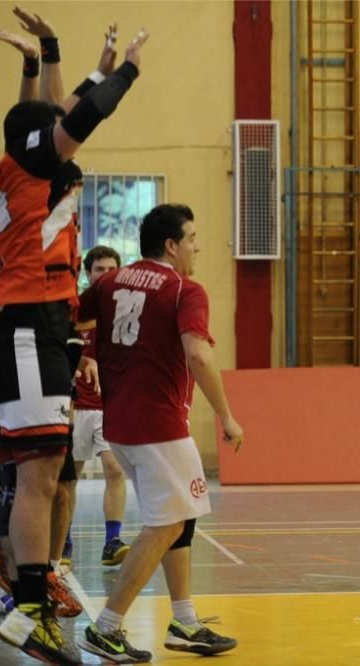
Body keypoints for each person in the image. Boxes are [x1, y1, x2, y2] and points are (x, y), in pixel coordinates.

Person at [0, 7, 149, 662]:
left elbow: (48, 109)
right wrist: (126, 70)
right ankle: (25, 604)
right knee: (41, 473)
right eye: (52, 129)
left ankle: (25, 590)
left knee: (43, 473)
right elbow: (79, 114)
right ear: (40, 140)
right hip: (22, 327)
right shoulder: (36, 165)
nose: (61, 125)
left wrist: (45, 51)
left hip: (33, 327)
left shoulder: (16, 164)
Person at [76, 204, 244, 663]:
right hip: (160, 425)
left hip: (120, 423)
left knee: (181, 517)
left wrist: (80, 359)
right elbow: (198, 355)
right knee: (167, 523)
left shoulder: (110, 282)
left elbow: (73, 319)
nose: (197, 247)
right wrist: (226, 416)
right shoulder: (184, 289)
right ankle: (106, 627)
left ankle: (185, 620)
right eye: (191, 238)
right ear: (171, 245)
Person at [64, 246, 131, 569]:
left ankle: (112, 540)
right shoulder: (74, 310)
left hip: (110, 407)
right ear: (88, 274)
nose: (105, 274)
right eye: (99, 269)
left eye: (111, 269)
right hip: (74, 405)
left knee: (115, 470)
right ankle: (61, 539)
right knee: (67, 479)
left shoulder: (125, 311)